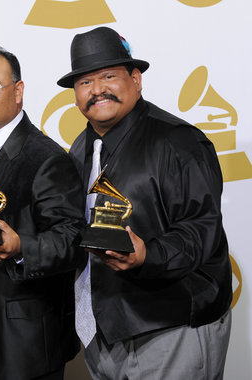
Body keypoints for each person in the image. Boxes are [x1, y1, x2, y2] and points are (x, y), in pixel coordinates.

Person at [58, 26, 233, 379]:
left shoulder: (178, 141)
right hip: (103, 330)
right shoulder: (80, 148)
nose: (97, 90)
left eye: (109, 76)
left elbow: (202, 230)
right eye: (85, 82)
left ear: (136, 79)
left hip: (168, 327)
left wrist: (146, 256)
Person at [0, 46, 85, 380]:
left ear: (18, 91)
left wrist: (20, 248)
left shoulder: (46, 158)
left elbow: (72, 241)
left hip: (26, 346)